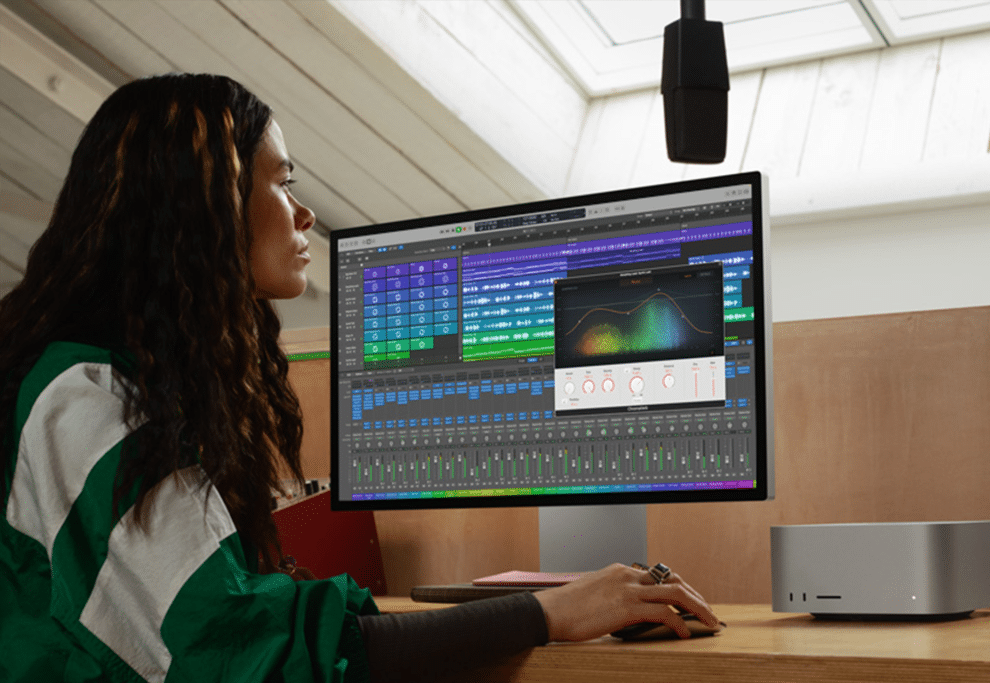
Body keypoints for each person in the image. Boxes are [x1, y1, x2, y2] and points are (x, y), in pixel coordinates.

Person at [0, 73, 720, 682]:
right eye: (281, 183)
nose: (307, 212)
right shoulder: (81, 400)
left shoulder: (118, 382)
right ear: (203, 205)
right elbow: (241, 647)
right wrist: (547, 611)